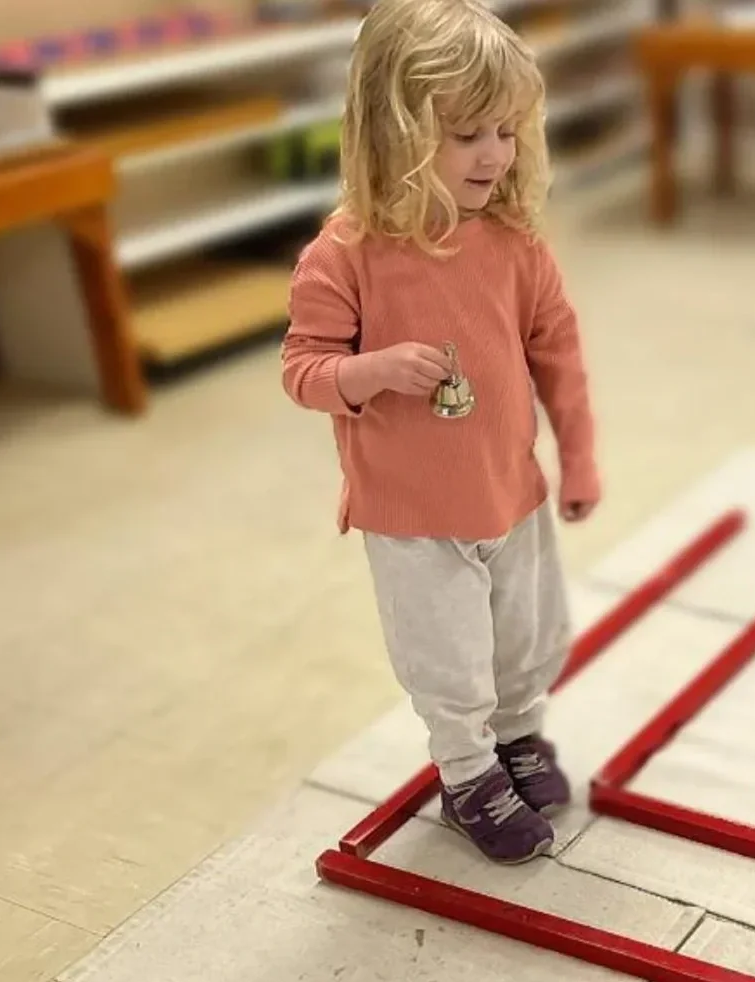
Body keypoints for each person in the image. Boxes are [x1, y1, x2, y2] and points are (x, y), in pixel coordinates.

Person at [280, 0, 599, 865]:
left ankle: (519, 733)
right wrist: (369, 372)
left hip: (508, 488)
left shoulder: (513, 240)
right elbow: (302, 369)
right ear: (394, 131)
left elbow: (557, 350)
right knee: (448, 657)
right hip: (413, 512)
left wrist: (578, 455)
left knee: (527, 636)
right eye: (465, 135)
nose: (494, 154)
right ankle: (466, 774)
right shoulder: (342, 255)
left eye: (504, 129)